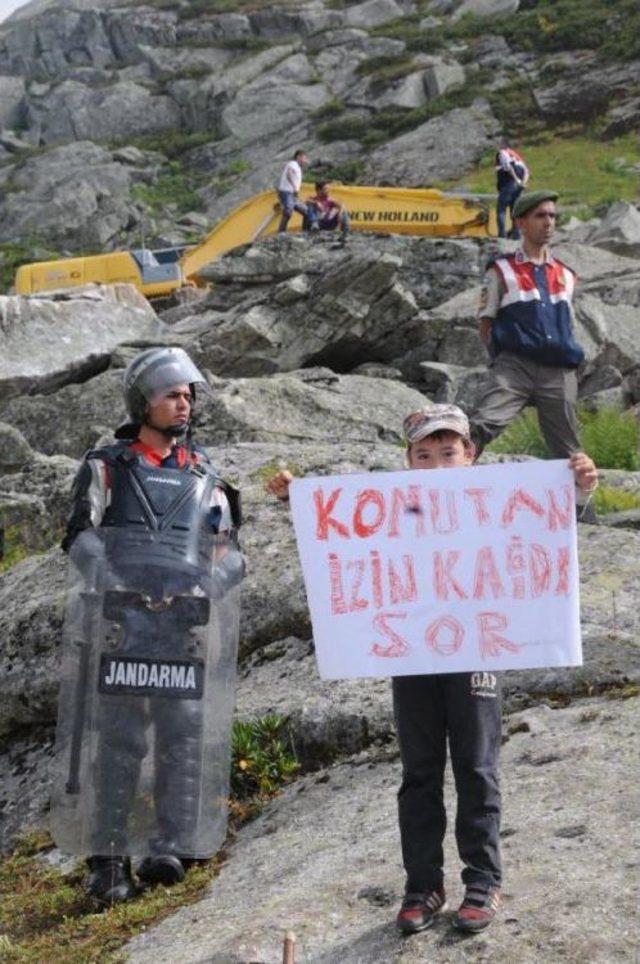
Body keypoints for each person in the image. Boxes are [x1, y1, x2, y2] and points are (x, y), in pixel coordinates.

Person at [266, 403, 597, 934]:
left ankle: (483, 879)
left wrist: (578, 490)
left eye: (449, 452)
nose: (438, 464)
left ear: (471, 454)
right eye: (425, 454)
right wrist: (296, 501)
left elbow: (544, 527)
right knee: (419, 773)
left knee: (476, 766)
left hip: (478, 652)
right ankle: (423, 884)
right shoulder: (397, 507)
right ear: (409, 460)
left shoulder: (497, 499)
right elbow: (343, 538)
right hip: (413, 657)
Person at [53, 347, 244, 906]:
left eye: (188, 395)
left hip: (181, 621)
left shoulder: (207, 475)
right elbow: (81, 535)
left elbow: (229, 553)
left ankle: (170, 843)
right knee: (117, 740)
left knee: (182, 733)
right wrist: (110, 579)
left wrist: (211, 585)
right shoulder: (106, 465)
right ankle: (107, 863)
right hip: (120, 618)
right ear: (144, 401)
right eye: (171, 394)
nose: (182, 404)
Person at [471, 190, 587, 472]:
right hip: (515, 366)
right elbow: (485, 322)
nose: (548, 222)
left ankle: (583, 516)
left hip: (558, 370)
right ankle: (438, 493)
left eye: (552, 216)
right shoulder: (501, 269)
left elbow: (568, 325)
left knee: (570, 453)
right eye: (540, 216)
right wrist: (501, 359)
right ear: (521, 222)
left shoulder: (566, 274)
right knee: (478, 428)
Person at [495, 138, 529, 240]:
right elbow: (527, 171)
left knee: (501, 209)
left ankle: (502, 235)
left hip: (508, 184)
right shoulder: (516, 156)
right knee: (515, 211)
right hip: (519, 186)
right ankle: (516, 235)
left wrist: (516, 179)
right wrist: (523, 183)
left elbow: (508, 167)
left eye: (499, 143)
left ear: (503, 144)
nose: (497, 145)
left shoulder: (502, 153)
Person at [277, 149, 310, 233]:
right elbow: (289, 174)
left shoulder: (298, 167)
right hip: (287, 192)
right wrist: (294, 186)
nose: (305, 161)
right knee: (288, 211)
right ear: (298, 157)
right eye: (304, 158)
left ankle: (305, 231)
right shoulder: (293, 163)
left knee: (306, 211)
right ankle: (281, 232)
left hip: (293, 195)